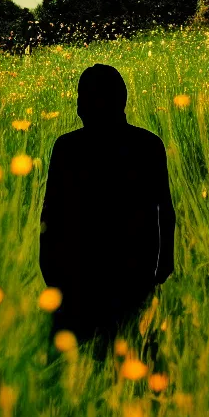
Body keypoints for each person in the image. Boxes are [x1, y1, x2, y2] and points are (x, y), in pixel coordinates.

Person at [39, 63, 176, 364]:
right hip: (129, 275)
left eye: (85, 97)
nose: (79, 104)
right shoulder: (148, 145)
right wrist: (163, 263)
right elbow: (165, 212)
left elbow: (50, 217)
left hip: (79, 277)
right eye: (80, 96)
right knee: (133, 360)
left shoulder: (68, 148)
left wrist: (50, 269)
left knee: (73, 366)